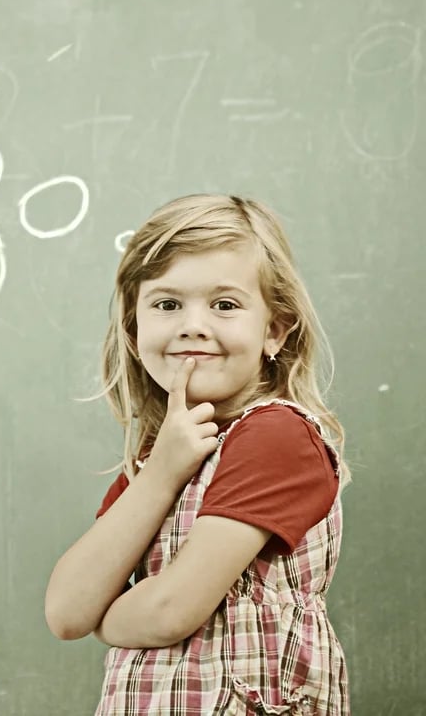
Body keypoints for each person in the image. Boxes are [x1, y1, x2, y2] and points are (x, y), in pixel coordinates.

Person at [44, 194, 350, 714]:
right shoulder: (163, 455)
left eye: (225, 305)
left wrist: (108, 620)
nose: (193, 325)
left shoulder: (276, 436)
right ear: (135, 332)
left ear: (274, 330)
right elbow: (68, 611)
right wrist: (160, 473)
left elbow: (170, 610)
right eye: (167, 304)